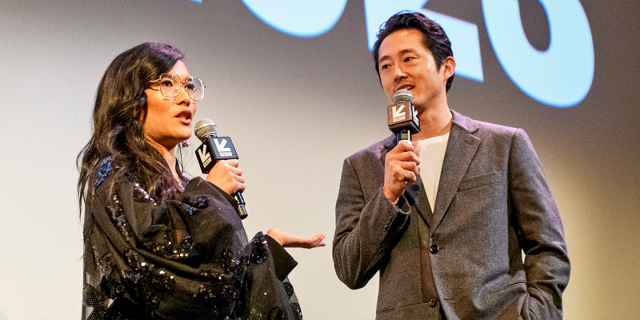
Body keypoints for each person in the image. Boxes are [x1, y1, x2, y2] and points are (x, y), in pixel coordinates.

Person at [333, 12, 570, 319]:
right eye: (386, 65)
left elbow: (547, 247)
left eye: (408, 59)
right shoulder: (362, 166)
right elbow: (350, 269)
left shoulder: (504, 144)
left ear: (447, 67)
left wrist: (535, 313)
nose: (397, 73)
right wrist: (387, 197)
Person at [77, 42, 325, 320]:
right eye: (168, 84)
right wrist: (213, 192)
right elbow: (155, 270)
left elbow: (216, 292)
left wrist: (266, 253)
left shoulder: (189, 187)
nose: (186, 98)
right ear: (133, 102)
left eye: (189, 86)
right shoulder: (115, 173)